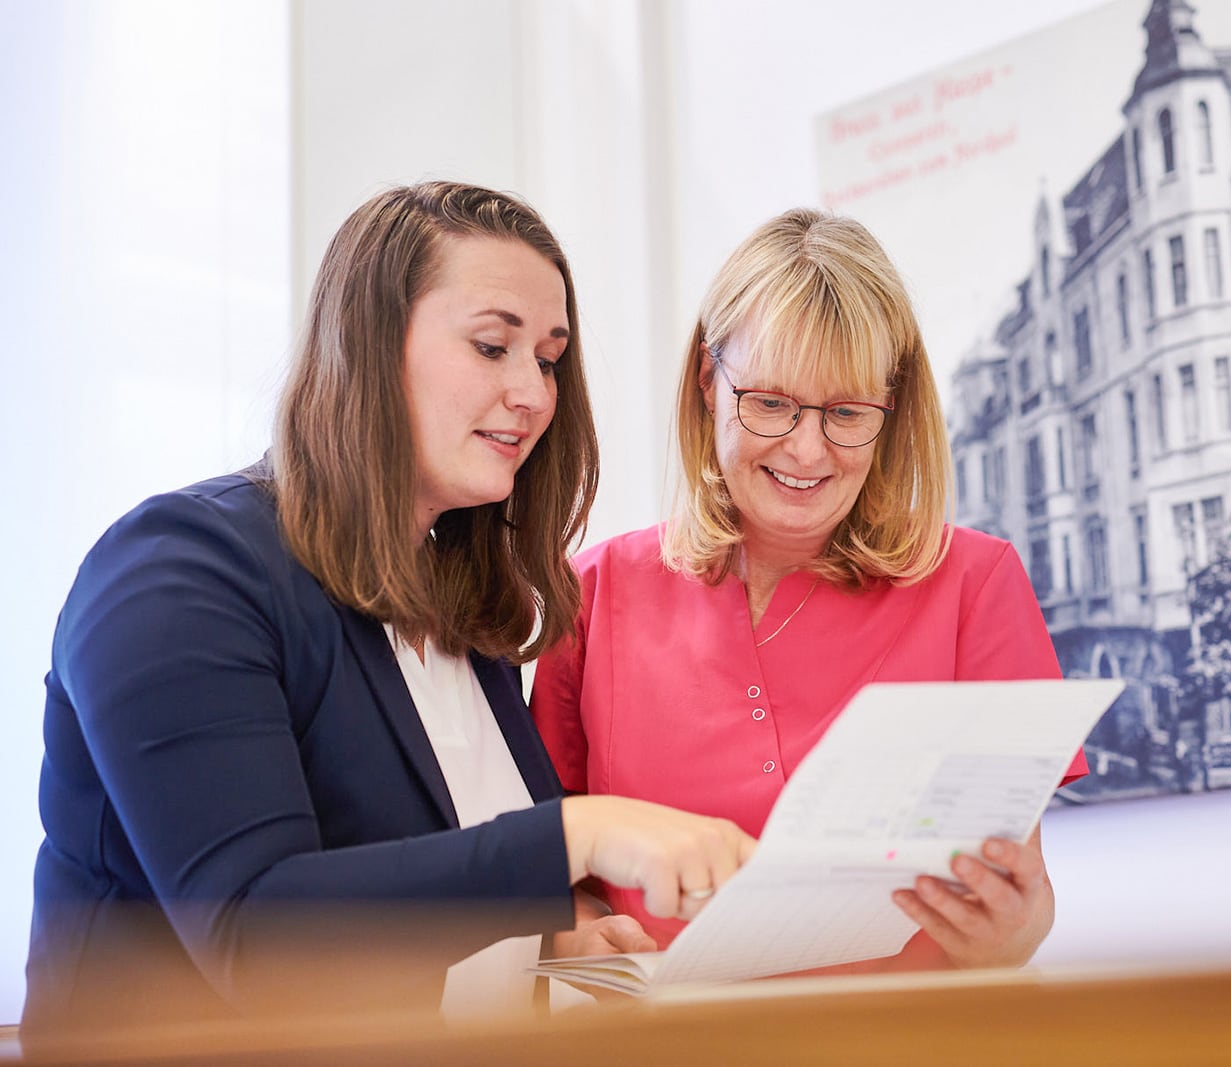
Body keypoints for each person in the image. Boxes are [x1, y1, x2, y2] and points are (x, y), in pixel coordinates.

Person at [24, 181, 753, 1039]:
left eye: (549, 359)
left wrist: (552, 936)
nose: (533, 393)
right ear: (368, 347)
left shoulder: (455, 606)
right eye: (492, 346)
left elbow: (425, 880)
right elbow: (256, 940)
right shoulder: (174, 572)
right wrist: (573, 835)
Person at [533, 208, 1088, 971]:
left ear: (891, 411)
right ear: (708, 381)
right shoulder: (593, 595)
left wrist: (1015, 931)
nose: (806, 448)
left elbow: (1019, 896)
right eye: (770, 403)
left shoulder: (975, 585)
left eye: (847, 412)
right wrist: (580, 929)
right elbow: (551, 863)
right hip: (674, 1029)